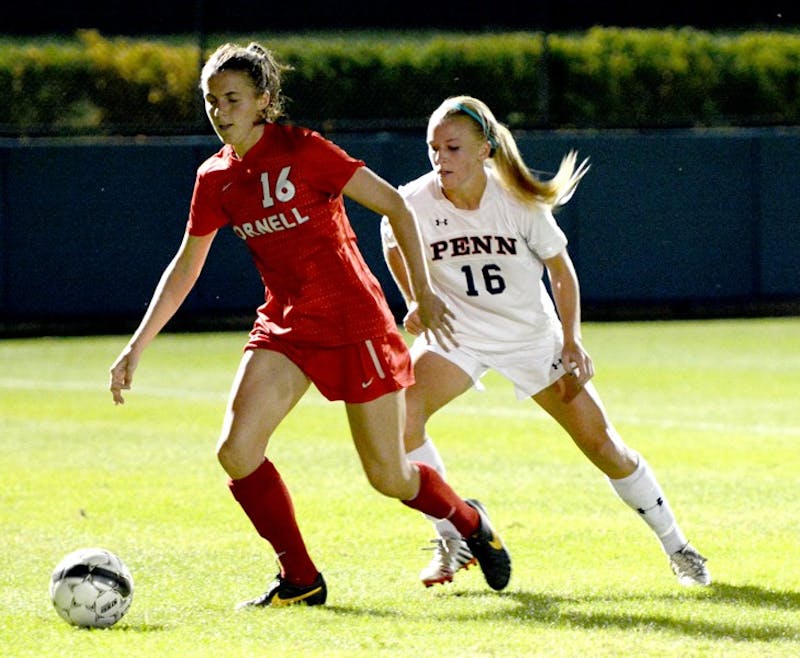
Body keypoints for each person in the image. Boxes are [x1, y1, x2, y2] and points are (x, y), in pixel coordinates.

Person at [108, 46, 512, 608]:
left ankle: (468, 519)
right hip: (287, 327)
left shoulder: (304, 150)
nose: (220, 112)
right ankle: (301, 580)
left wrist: (421, 294)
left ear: (263, 102)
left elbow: (396, 206)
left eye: (233, 99)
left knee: (389, 477)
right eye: (211, 100)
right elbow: (187, 264)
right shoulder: (216, 177)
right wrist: (137, 344)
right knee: (236, 450)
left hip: (354, 325)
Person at [381, 95, 711, 589]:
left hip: (532, 339)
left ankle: (678, 546)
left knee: (604, 447)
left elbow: (561, 271)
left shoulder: (516, 201)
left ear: (484, 151)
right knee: (399, 418)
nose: (439, 159)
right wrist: (416, 298)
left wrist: (572, 340)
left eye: (452, 147)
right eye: (433, 148)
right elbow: (391, 239)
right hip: (460, 335)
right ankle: (454, 531)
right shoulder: (415, 201)